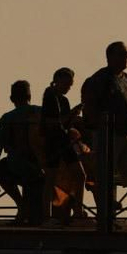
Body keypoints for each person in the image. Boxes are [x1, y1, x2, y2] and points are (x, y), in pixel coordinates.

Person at [82, 40, 127, 227]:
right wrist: (99, 127)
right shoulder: (99, 79)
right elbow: (89, 108)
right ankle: (105, 217)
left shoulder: (126, 79)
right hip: (108, 135)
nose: (126, 58)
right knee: (105, 175)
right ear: (110, 57)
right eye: (122, 54)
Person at [0, 80, 46, 225]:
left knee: (1, 167)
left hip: (17, 165)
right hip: (43, 166)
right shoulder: (41, 112)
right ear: (30, 96)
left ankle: (21, 206)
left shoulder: (8, 118)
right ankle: (27, 211)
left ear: (12, 99)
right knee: (37, 218)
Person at [41, 67, 88, 223]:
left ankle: (78, 212)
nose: (68, 87)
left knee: (80, 175)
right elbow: (51, 122)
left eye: (70, 85)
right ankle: (46, 216)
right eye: (67, 84)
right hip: (53, 141)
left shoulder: (63, 99)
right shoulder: (49, 95)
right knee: (50, 179)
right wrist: (70, 115)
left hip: (64, 140)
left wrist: (73, 116)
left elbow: (65, 123)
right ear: (57, 80)